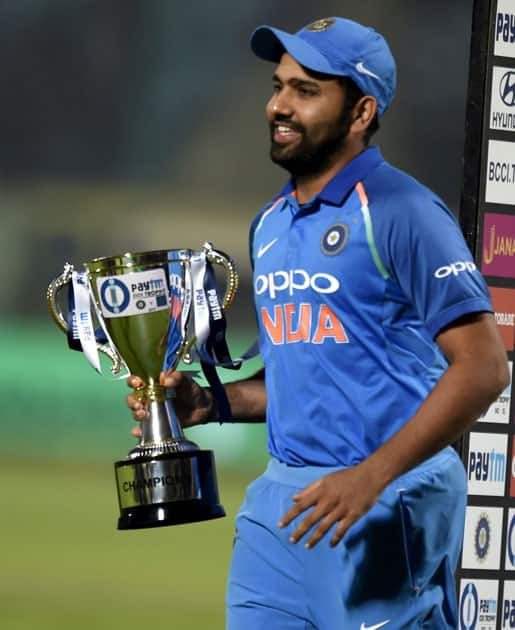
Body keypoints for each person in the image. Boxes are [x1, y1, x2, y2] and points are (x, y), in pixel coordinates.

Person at [127, 17, 510, 630]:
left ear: (360, 113)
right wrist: (212, 402)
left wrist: (372, 477)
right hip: (283, 506)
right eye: (279, 85)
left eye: (306, 91)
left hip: (386, 499)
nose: (279, 104)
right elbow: (306, 376)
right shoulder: (271, 223)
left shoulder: (403, 212)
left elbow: (485, 367)